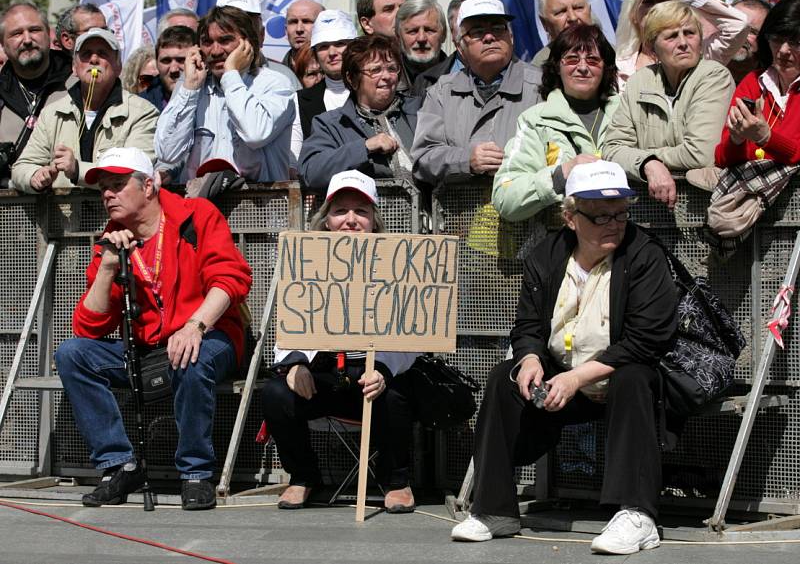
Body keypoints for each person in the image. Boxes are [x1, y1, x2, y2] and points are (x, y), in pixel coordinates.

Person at [450, 160, 677, 555]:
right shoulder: (546, 255)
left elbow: (646, 341)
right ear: (570, 217)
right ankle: (494, 509)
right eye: (600, 216)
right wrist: (531, 359)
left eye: (621, 213)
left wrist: (577, 379)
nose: (614, 223)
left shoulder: (645, 255)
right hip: (562, 373)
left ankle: (637, 514)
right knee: (505, 377)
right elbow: (527, 327)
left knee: (634, 375)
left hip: (622, 377)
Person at [55, 146, 252, 510]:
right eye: (103, 189)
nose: (108, 194)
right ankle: (119, 465)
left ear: (148, 186)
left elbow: (231, 278)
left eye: (117, 184)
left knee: (191, 355)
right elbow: (88, 327)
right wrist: (109, 267)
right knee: (71, 355)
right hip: (148, 348)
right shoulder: (112, 238)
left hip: (211, 335)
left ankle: (196, 472)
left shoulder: (196, 215)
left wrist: (195, 325)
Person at [261, 169, 418, 513]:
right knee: (274, 393)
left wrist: (385, 371)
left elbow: (414, 337)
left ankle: (397, 480)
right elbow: (291, 325)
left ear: (374, 221)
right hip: (323, 372)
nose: (350, 220)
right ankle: (302, 476)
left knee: (393, 395)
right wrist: (296, 363)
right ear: (326, 221)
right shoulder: (304, 261)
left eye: (361, 212)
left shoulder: (398, 262)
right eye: (341, 211)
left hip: (373, 372)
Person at [604, 1, 734, 210]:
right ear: (651, 47)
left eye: (689, 33)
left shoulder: (714, 76)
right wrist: (648, 164)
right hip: (650, 211)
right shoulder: (639, 81)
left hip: (704, 209)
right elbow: (611, 149)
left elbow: (700, 153)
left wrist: (648, 157)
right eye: (672, 36)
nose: (683, 43)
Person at [411, 0, 542, 186]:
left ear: (511, 37)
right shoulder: (441, 92)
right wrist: (466, 160)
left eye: (498, 28)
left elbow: (558, 152)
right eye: (477, 31)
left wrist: (513, 163)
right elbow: (423, 158)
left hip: (527, 212)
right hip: (460, 213)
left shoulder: (541, 86)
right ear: (460, 47)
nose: (489, 37)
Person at [154, 6, 295, 184]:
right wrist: (189, 89)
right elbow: (167, 152)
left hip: (258, 206)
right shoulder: (193, 87)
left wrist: (231, 75)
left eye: (225, 40)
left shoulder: (274, 84)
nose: (215, 51)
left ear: (248, 43)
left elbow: (255, 134)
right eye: (207, 42)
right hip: (202, 206)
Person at [493, 24, 619, 222]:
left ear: (606, 68)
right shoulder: (535, 121)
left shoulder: (627, 113)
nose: (583, 67)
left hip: (624, 236)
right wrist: (560, 175)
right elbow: (504, 198)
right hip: (562, 241)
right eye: (572, 59)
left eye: (593, 60)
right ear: (557, 67)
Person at [11, 28, 159, 193]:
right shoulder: (51, 114)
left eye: (103, 53)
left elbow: (137, 173)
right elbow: (21, 167)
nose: (94, 59)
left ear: (118, 67)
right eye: (86, 54)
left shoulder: (142, 112)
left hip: (115, 217)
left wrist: (77, 170)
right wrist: (35, 176)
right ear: (74, 68)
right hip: (62, 218)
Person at [299, 34, 420, 191]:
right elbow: (310, 172)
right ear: (352, 79)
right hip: (366, 214)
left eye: (392, 68)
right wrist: (364, 147)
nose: (387, 76)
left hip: (424, 214)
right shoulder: (331, 124)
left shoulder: (419, 110)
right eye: (375, 70)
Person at [715, 0, 800, 168]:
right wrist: (736, 140)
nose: (783, 50)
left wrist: (766, 138)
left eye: (796, 42)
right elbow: (721, 158)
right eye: (776, 39)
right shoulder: (753, 82)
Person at [614, 0, 747, 90]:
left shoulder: (699, 55)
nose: (656, 7)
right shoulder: (616, 62)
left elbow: (739, 24)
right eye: (648, 2)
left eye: (664, 1)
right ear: (633, 16)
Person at [0, 1, 73, 185]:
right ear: (3, 44)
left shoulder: (78, 83)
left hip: (75, 206)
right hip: (13, 209)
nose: (26, 39)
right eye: (16, 33)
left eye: (34, 30)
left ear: (49, 35)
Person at [215, 0, 302, 91]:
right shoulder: (201, 77)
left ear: (262, 35)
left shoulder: (284, 76)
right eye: (227, 38)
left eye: (246, 33)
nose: (240, 42)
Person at [295, 9, 357, 139]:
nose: (332, 52)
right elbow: (296, 157)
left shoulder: (375, 91)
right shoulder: (299, 100)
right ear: (315, 54)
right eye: (323, 46)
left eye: (340, 43)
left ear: (354, 47)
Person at [412, 0, 479, 97]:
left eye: (479, 22)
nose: (475, 30)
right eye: (464, 22)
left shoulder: (513, 74)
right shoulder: (425, 81)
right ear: (452, 32)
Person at [532, 0, 594, 68]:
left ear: (589, 11)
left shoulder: (613, 56)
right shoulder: (538, 70)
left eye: (578, 8)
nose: (573, 18)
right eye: (561, 12)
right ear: (544, 23)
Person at [140, 26, 197, 111]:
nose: (173, 69)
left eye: (181, 60)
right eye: (166, 61)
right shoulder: (140, 105)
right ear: (157, 63)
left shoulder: (213, 102)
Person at [395, 0, 447, 89]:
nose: (421, 38)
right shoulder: (386, 81)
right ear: (398, 37)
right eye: (413, 31)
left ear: (443, 35)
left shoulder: (462, 77)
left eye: (429, 30)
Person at [728, 0, 771, 85]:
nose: (741, 35)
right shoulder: (703, 68)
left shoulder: (771, 82)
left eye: (752, 31)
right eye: (735, 26)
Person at [282, 0, 324, 71]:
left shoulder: (343, 74)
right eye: (293, 22)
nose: (299, 29)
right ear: (286, 30)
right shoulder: (275, 76)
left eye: (306, 21)